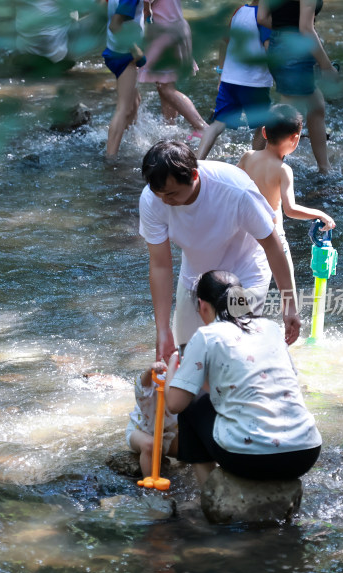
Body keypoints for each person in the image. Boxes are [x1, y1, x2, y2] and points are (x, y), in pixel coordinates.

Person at [139, 139, 300, 363]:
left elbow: (273, 245)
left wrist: (289, 305)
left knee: (234, 356)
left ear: (194, 176)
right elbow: (160, 265)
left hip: (244, 275)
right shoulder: (152, 199)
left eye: (172, 194)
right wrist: (162, 329)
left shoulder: (234, 190)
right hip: (196, 275)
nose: (165, 201)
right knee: (188, 357)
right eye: (160, 194)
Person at [164, 270, 322, 486]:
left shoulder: (207, 335)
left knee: (190, 407)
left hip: (249, 459)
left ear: (202, 305)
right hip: (306, 452)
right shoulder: (271, 328)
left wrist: (173, 368)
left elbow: (174, 404)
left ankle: (210, 495)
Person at [237, 103, 336, 298]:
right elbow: (290, 209)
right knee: (287, 291)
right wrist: (320, 213)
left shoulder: (248, 157)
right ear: (295, 139)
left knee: (244, 284)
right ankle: (289, 322)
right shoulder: (283, 170)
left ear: (264, 132)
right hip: (272, 236)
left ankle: (240, 321)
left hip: (244, 232)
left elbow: (232, 186)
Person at [257, 0, 338, 174]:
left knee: (316, 107)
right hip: (294, 52)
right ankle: (264, 173)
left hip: (277, 47)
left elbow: (262, 17)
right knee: (286, 123)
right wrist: (327, 66)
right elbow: (306, 29)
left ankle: (324, 169)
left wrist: (285, 27)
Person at [197, 0, 273, 160]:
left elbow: (224, 42)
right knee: (263, 124)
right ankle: (256, 163)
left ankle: (197, 161)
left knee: (217, 124)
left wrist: (221, 73)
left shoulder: (238, 12)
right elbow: (269, 50)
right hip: (255, 82)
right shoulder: (266, 17)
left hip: (229, 80)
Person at [138, 0, 209, 137]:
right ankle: (170, 128)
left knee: (166, 88)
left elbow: (146, 8)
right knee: (164, 82)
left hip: (164, 32)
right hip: (178, 27)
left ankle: (201, 126)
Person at [103, 0, 146, 157]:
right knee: (124, 108)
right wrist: (135, 50)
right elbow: (114, 25)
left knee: (135, 102)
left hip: (115, 50)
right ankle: (110, 158)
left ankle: (129, 143)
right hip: (124, 55)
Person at [127, 353, 180, 478]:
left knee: (193, 444)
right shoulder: (157, 381)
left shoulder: (185, 386)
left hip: (169, 435)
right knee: (150, 445)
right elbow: (143, 384)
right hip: (141, 431)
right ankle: (151, 485)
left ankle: (183, 473)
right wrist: (150, 370)